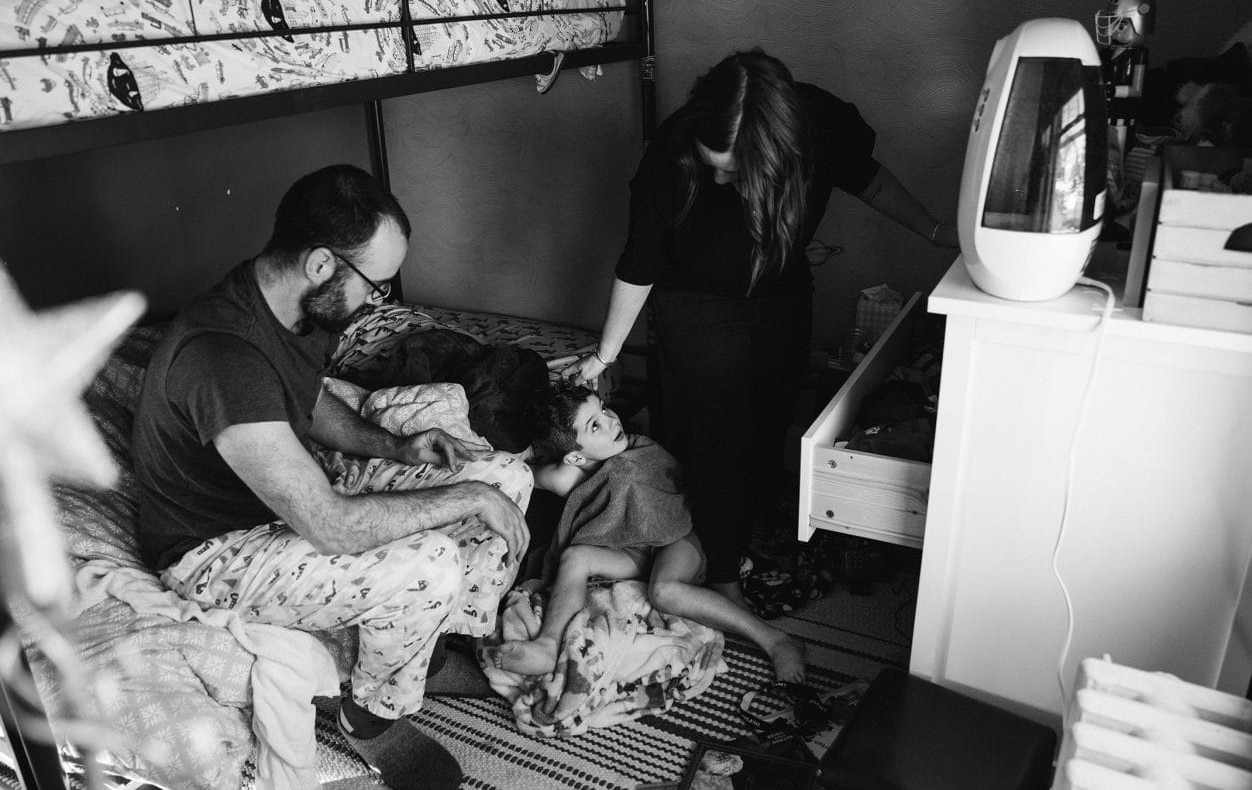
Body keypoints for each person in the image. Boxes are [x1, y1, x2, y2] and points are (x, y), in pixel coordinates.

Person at [131, 164, 532, 790]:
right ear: (322, 264)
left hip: (282, 508)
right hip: (213, 553)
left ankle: (431, 645)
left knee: (504, 475)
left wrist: (397, 447)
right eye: (377, 283)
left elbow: (308, 400)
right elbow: (332, 525)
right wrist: (464, 499)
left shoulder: (292, 310)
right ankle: (368, 716)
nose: (380, 298)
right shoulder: (221, 356)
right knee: (431, 558)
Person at [562, 48, 956, 608]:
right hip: (694, 300)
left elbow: (868, 181)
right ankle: (720, 573)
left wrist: (935, 230)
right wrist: (606, 353)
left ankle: (745, 539)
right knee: (718, 434)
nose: (720, 178)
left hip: (780, 289)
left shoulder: (818, 125)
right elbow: (640, 261)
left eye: (735, 167)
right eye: (712, 163)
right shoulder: (673, 152)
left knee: (772, 421)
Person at [492, 384, 807, 682]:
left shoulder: (639, 451)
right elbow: (515, 473)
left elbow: (685, 497)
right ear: (575, 456)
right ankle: (549, 644)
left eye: (603, 409)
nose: (611, 420)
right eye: (594, 426)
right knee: (575, 557)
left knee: (664, 591)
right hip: (632, 551)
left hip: (679, 536)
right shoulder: (566, 475)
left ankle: (776, 640)